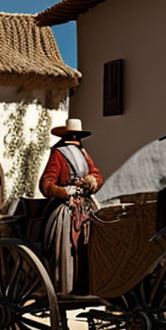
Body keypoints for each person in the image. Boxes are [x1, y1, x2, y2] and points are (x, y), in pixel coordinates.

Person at [39, 118, 103, 297]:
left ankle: (88, 284)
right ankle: (65, 286)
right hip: (66, 207)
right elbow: (46, 184)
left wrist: (91, 182)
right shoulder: (58, 154)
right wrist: (63, 191)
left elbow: (97, 175)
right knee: (66, 243)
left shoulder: (83, 153)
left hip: (86, 205)